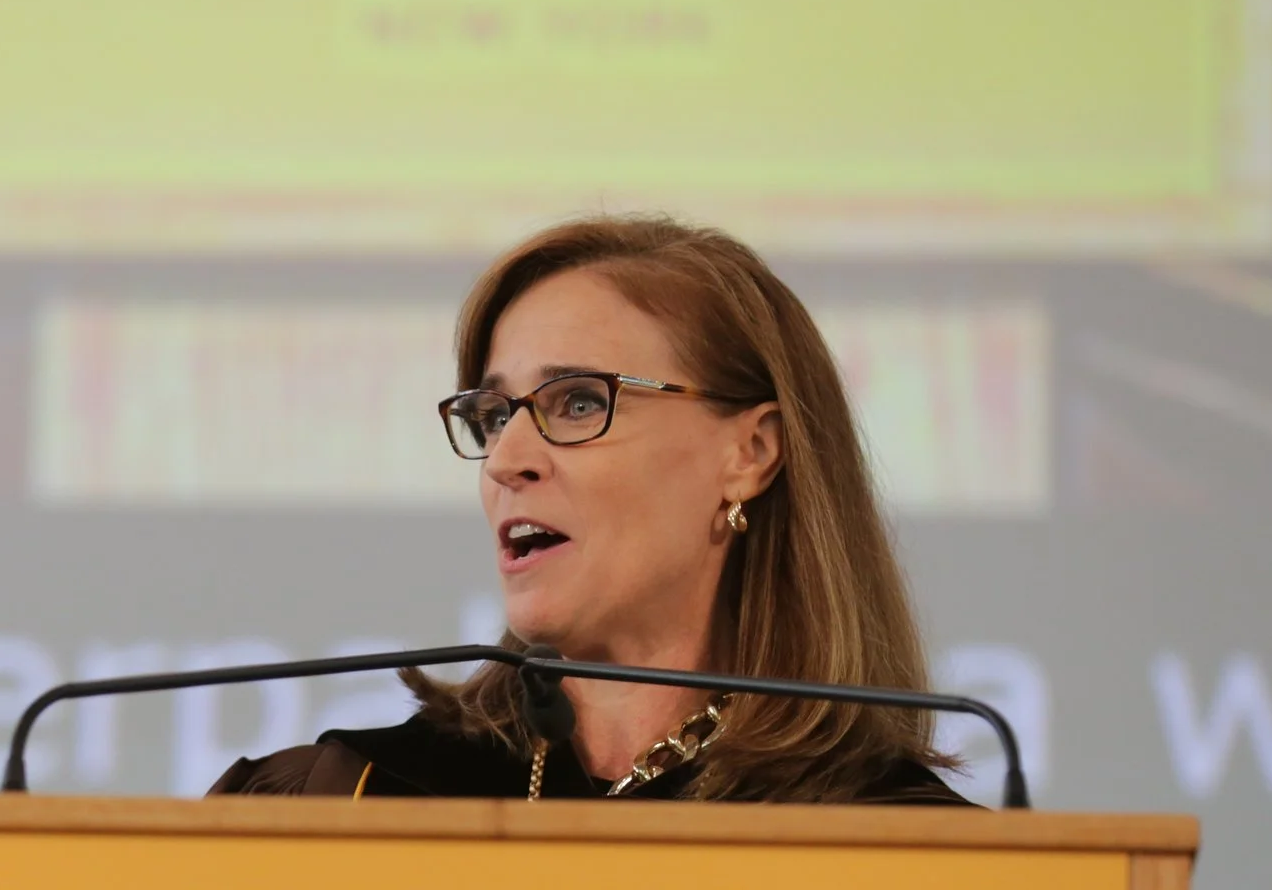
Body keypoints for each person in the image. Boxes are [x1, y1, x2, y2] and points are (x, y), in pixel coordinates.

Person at [212, 214, 969, 805]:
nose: (508, 459)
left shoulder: (910, 864)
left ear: (750, 453)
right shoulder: (349, 805)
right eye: (495, 414)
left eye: (576, 402)